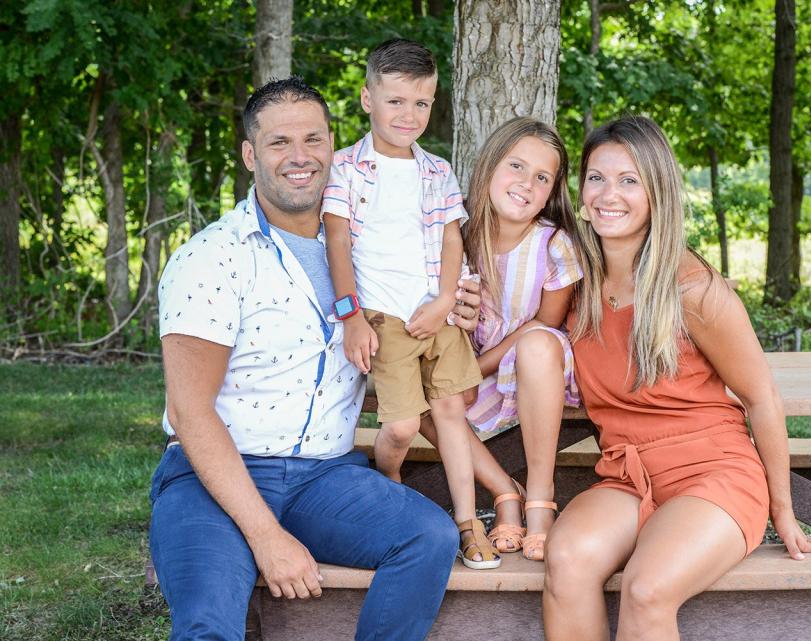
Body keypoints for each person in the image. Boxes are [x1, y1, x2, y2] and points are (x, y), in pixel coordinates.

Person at [149, 76, 481, 641]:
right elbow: (190, 412)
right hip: (215, 475)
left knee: (429, 535)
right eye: (279, 143)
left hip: (324, 478)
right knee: (207, 627)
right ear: (251, 155)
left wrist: (457, 307)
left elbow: (430, 304)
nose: (299, 157)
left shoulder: (367, 254)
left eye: (313, 140)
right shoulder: (211, 256)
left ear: (335, 145)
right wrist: (267, 538)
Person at [542, 116, 811, 641]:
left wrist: (785, 512)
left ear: (657, 192)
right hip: (628, 475)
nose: (608, 194)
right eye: (596, 177)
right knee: (566, 560)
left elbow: (761, 396)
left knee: (646, 588)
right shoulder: (574, 282)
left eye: (629, 180)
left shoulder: (694, 289)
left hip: (714, 474)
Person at [321, 38, 494, 570]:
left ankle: (468, 522)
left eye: (421, 103)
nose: (409, 114)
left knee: (449, 413)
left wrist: (445, 299)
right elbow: (336, 243)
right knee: (398, 426)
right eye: (395, 100)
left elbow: (451, 240)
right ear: (367, 97)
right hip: (384, 317)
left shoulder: (435, 171)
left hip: (434, 312)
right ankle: (390, 487)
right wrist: (352, 315)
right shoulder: (345, 169)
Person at [420, 117, 586, 561]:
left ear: (552, 190)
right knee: (414, 387)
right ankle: (502, 491)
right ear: (490, 167)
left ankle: (539, 499)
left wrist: (478, 365)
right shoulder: (457, 238)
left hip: (536, 370)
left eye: (542, 177)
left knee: (536, 346)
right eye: (516, 166)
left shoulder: (554, 245)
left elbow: (544, 325)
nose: (526, 183)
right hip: (471, 369)